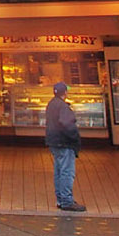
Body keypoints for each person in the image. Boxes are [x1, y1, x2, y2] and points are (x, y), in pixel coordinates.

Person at [45, 81, 84, 212]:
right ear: (65, 93)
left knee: (59, 171)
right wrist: (76, 140)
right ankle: (67, 200)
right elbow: (68, 126)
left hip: (54, 142)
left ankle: (61, 199)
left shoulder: (51, 104)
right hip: (64, 142)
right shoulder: (63, 107)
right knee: (67, 172)